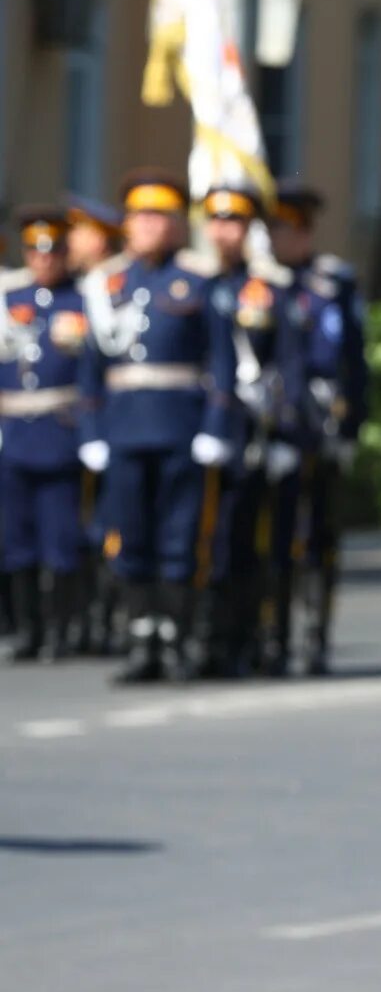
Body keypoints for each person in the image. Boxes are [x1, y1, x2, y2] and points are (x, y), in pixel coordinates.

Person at [78, 169, 233, 684]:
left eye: (160, 217)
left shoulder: (196, 280)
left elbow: (221, 363)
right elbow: (90, 372)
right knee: (130, 537)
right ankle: (142, 641)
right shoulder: (107, 285)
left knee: (179, 538)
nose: (149, 226)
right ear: (127, 225)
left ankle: (176, 638)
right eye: (141, 216)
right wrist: (91, 434)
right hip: (123, 430)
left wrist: (215, 426)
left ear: (174, 225)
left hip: (180, 429)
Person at [194, 183, 303, 677]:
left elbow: (286, 367)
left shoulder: (265, 291)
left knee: (245, 543)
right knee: (195, 543)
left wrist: (283, 433)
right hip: (190, 433)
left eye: (234, 222)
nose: (223, 231)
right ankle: (196, 639)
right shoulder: (190, 284)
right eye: (216, 221)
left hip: (246, 434)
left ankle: (244, 641)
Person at [268, 185, 367, 676]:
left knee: (320, 539)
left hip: (322, 422)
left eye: (293, 229)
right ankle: (275, 638)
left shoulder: (333, 283)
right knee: (276, 537)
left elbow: (354, 359)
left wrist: (351, 427)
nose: (285, 238)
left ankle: (315, 640)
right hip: (276, 428)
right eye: (278, 229)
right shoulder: (260, 283)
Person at [1, 209, 92, 662]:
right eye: (36, 251)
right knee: (16, 540)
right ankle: (26, 630)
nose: (44, 259)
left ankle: (61, 629)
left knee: (60, 540)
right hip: (13, 432)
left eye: (53, 250)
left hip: (61, 431)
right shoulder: (8, 298)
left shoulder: (80, 300)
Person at [67, 196, 125, 655]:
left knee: (112, 524)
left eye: (80, 231)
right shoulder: (78, 288)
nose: (71, 241)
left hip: (113, 425)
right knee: (80, 527)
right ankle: (82, 615)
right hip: (71, 429)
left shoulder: (116, 287)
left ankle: (110, 616)